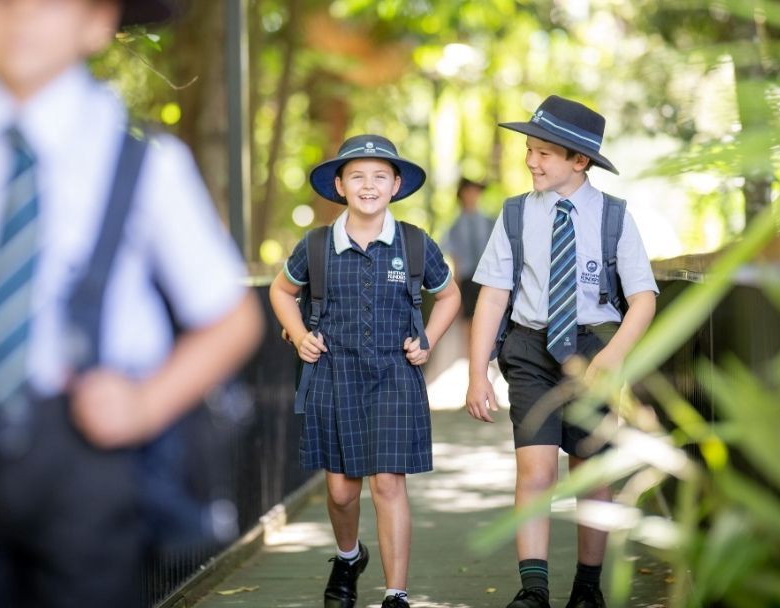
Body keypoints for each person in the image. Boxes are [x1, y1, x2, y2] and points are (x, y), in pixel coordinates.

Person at [0, 0, 264, 606]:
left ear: (99, 21)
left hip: (87, 456)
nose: (21, 14)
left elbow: (232, 321)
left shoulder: (143, 162)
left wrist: (144, 405)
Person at [465, 95, 658, 608]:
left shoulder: (614, 218)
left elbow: (642, 299)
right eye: (530, 149)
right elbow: (492, 294)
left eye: (545, 152)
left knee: (589, 470)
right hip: (530, 349)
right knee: (535, 471)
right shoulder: (514, 214)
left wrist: (612, 358)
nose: (531, 160)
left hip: (594, 349)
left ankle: (587, 589)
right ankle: (534, 590)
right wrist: (477, 373)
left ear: (581, 160)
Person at [269, 134, 460, 608]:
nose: (368, 185)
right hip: (334, 375)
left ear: (395, 185)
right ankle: (349, 556)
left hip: (396, 374)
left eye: (379, 176)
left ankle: (396, 593)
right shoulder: (316, 245)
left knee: (389, 482)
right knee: (340, 492)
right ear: (340, 184)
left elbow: (450, 295)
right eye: (357, 176)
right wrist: (298, 333)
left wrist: (428, 339)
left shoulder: (415, 243)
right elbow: (280, 292)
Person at [441, 176, 495, 345]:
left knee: (488, 318)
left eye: (476, 191)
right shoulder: (455, 226)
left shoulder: (490, 222)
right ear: (462, 194)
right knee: (468, 322)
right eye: (469, 191)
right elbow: (455, 259)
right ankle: (470, 360)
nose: (473, 195)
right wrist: (455, 290)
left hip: (487, 278)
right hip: (466, 279)